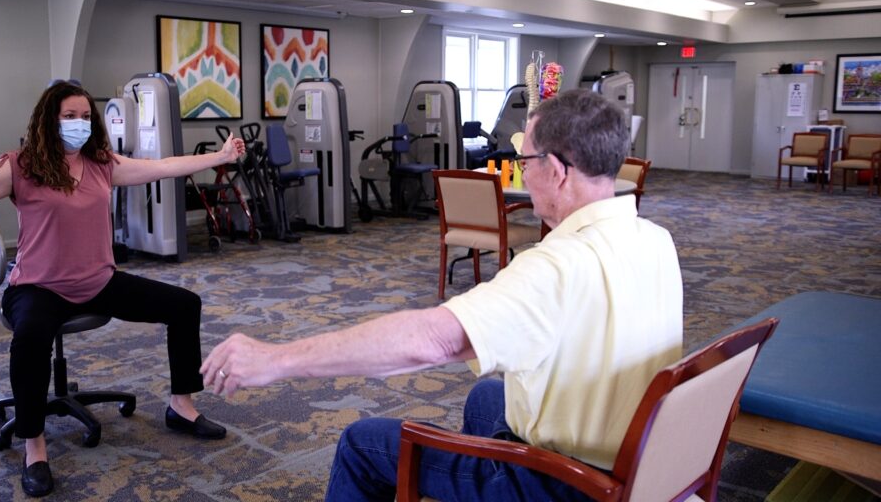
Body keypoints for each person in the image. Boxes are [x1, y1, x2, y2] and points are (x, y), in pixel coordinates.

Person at [199, 89, 683, 501]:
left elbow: (432, 341)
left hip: (565, 483)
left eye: (525, 162)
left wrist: (276, 360)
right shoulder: (654, 238)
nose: (522, 173)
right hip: (632, 457)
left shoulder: (555, 268)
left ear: (556, 170)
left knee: (362, 444)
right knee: (486, 395)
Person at [0, 81, 245, 498]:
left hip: (98, 281)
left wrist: (219, 157)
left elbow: (163, 167)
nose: (79, 124)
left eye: (84, 117)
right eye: (69, 116)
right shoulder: (19, 167)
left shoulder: (102, 163)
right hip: (38, 287)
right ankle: (34, 446)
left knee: (184, 304)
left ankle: (181, 407)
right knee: (31, 337)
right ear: (49, 120)